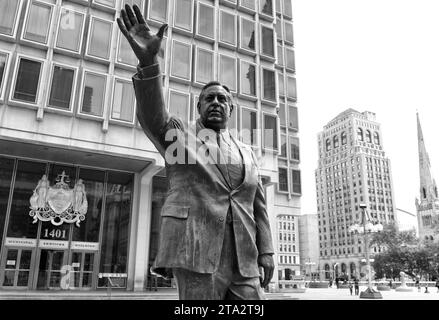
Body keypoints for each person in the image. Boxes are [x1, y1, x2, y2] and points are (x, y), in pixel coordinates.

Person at [116, 5, 274, 300]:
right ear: (198, 107)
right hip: (196, 251)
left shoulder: (248, 152)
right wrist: (150, 63)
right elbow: (153, 117)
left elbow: (259, 208)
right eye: (209, 98)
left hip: (245, 259)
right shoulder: (180, 135)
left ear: (231, 108)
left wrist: (266, 250)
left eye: (222, 99)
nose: (216, 102)